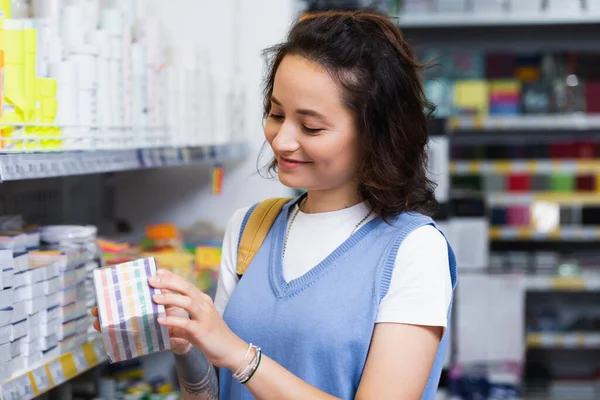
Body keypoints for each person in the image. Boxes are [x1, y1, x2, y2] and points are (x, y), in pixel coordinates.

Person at [93, 9, 457, 400]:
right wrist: (188, 341)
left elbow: (240, 362)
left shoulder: (413, 251)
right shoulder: (251, 227)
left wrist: (239, 354)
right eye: (275, 113)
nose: (281, 140)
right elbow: (213, 393)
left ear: (375, 133)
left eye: (311, 126)